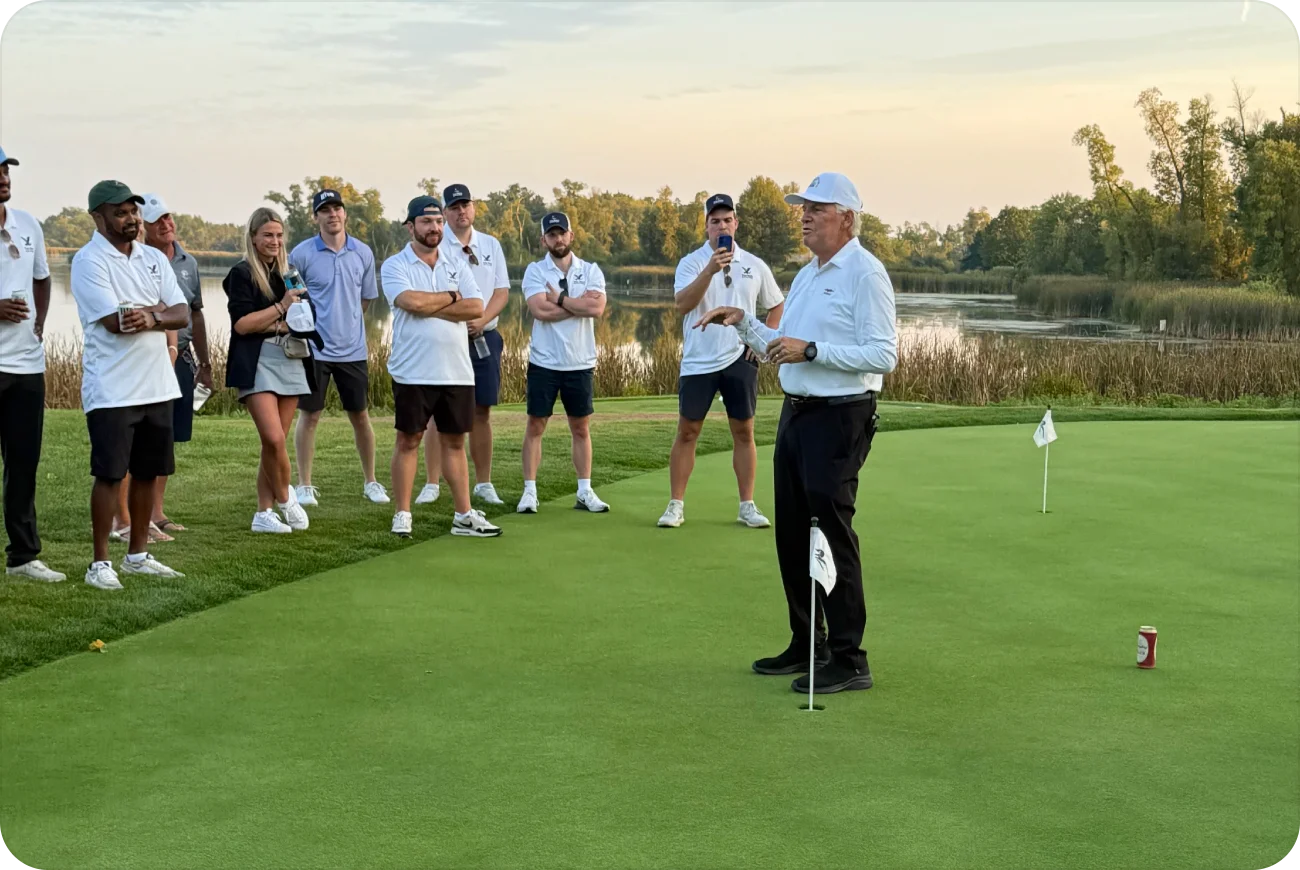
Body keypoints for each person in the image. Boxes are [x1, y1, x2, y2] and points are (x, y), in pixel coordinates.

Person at [694, 172, 897, 694]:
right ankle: (809, 642)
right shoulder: (808, 274)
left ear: (846, 218)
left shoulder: (865, 274)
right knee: (791, 533)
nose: (804, 216)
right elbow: (783, 344)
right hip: (797, 412)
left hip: (841, 416)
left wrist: (813, 351)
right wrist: (742, 322)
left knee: (831, 532)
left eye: (817, 208)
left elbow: (883, 355)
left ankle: (850, 659)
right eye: (802, 207)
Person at [70, 180, 191, 590]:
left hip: (157, 383)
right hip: (112, 387)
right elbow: (114, 321)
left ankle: (137, 555)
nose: (131, 219)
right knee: (109, 474)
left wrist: (154, 316)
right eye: (120, 212)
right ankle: (99, 563)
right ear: (98, 217)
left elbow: (181, 312)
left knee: (147, 472)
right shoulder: (89, 261)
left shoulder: (153, 259)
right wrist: (155, 311)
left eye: (133, 211)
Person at [658, 193, 785, 530]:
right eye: (715, 221)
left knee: (744, 431)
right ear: (706, 226)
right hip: (699, 360)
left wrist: (760, 343)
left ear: (736, 223)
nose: (722, 226)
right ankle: (675, 506)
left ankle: (747, 505)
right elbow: (682, 304)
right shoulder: (691, 262)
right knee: (688, 432)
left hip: (740, 359)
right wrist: (710, 269)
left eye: (727, 220)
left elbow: (776, 305)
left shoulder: (754, 264)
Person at [381, 196, 502, 539]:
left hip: (456, 371)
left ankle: (463, 515)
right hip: (412, 370)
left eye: (438, 222)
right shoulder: (395, 265)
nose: (434, 228)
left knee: (454, 443)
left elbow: (476, 306)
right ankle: (402, 513)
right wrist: (451, 297)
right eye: (426, 221)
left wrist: (433, 304)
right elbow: (409, 301)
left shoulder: (455, 263)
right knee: (408, 440)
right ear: (410, 226)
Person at [109, 194, 215, 542]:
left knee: (164, 438)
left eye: (168, 218)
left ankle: (155, 512)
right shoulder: (138, 261)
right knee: (136, 437)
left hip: (181, 357)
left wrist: (205, 361)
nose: (166, 225)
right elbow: (153, 308)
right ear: (145, 229)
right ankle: (122, 517)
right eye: (158, 221)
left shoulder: (188, 262)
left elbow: (191, 312)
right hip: (148, 356)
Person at [288, 189, 387, 506]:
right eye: (325, 210)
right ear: (315, 217)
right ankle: (304, 485)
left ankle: (371, 481)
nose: (332, 214)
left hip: (353, 351)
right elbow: (294, 301)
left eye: (337, 209)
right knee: (310, 415)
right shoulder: (301, 255)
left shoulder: (363, 252)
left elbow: (366, 300)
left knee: (360, 416)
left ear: (345, 214)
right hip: (314, 351)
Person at [417, 183, 510, 508]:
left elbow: (501, 292)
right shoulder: (437, 247)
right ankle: (432, 482)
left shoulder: (490, 244)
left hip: (485, 337)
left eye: (465, 205)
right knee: (434, 414)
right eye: (453, 207)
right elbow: (433, 298)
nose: (460, 211)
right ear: (444, 213)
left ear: (473, 208)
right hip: (447, 340)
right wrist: (459, 319)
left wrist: (481, 320)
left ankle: (483, 483)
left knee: (482, 411)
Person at [223, 208, 315, 534]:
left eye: (278, 235)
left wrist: (288, 315)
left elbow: (305, 317)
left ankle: (263, 513)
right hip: (257, 360)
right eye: (267, 235)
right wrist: (281, 310)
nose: (274, 241)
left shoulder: (289, 273)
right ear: (253, 238)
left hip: (289, 357)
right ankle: (286, 498)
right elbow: (243, 325)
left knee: (273, 444)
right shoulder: (242, 274)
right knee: (273, 438)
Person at [0, 146, 65, 583]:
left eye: (5, 171)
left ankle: (23, 557)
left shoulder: (27, 225)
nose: (4, 178)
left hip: (25, 365)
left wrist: (40, 322)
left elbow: (42, 277)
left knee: (23, 462)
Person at [517, 212, 610, 514]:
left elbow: (596, 308)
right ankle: (529, 491)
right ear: (544, 239)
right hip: (544, 361)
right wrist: (576, 304)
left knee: (580, 428)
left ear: (571, 236)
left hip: (579, 362)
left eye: (562, 233)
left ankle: (584, 491)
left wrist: (559, 299)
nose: (558, 239)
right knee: (535, 425)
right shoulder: (534, 271)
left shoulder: (590, 270)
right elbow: (539, 311)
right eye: (552, 234)